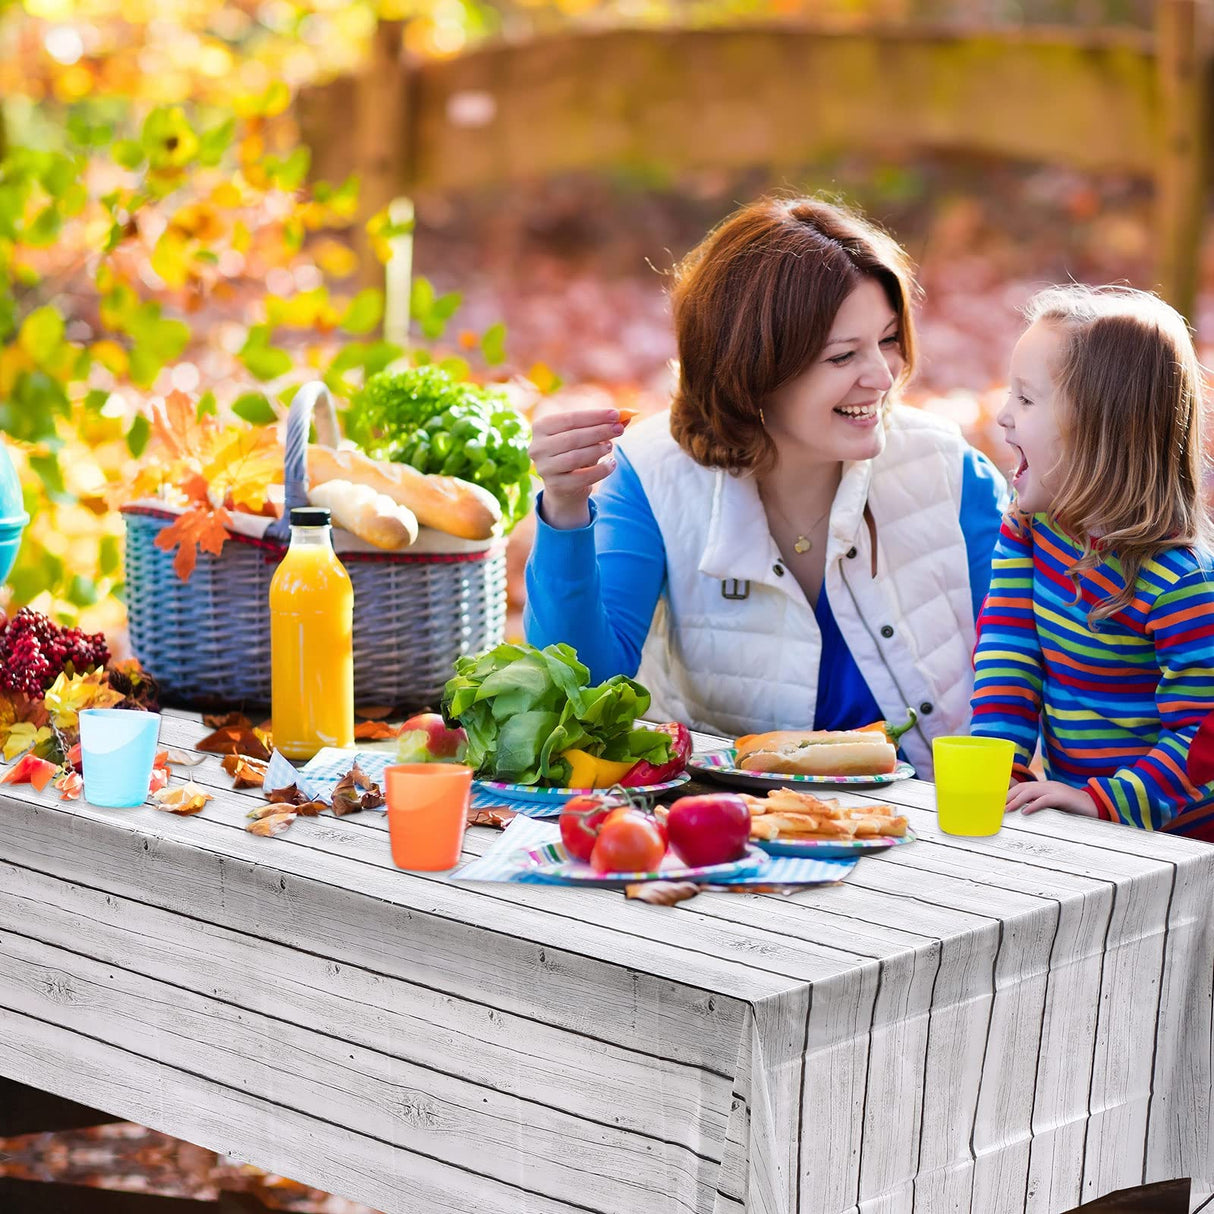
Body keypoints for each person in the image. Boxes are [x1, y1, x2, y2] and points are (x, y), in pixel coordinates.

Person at [525, 196, 1007, 777]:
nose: (882, 376)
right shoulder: (650, 477)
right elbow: (583, 688)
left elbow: (1027, 679)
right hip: (732, 823)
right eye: (842, 355)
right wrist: (566, 510)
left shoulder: (954, 476)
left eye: (886, 339)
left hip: (938, 829)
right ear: (754, 370)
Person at [970, 284, 1214, 839]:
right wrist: (997, 769)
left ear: (1102, 429)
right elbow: (1010, 652)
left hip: (1180, 842)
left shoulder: (1181, 583)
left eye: (1026, 400)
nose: (1003, 416)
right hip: (1082, 823)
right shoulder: (1032, 528)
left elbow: (1200, 739)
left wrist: (1100, 801)